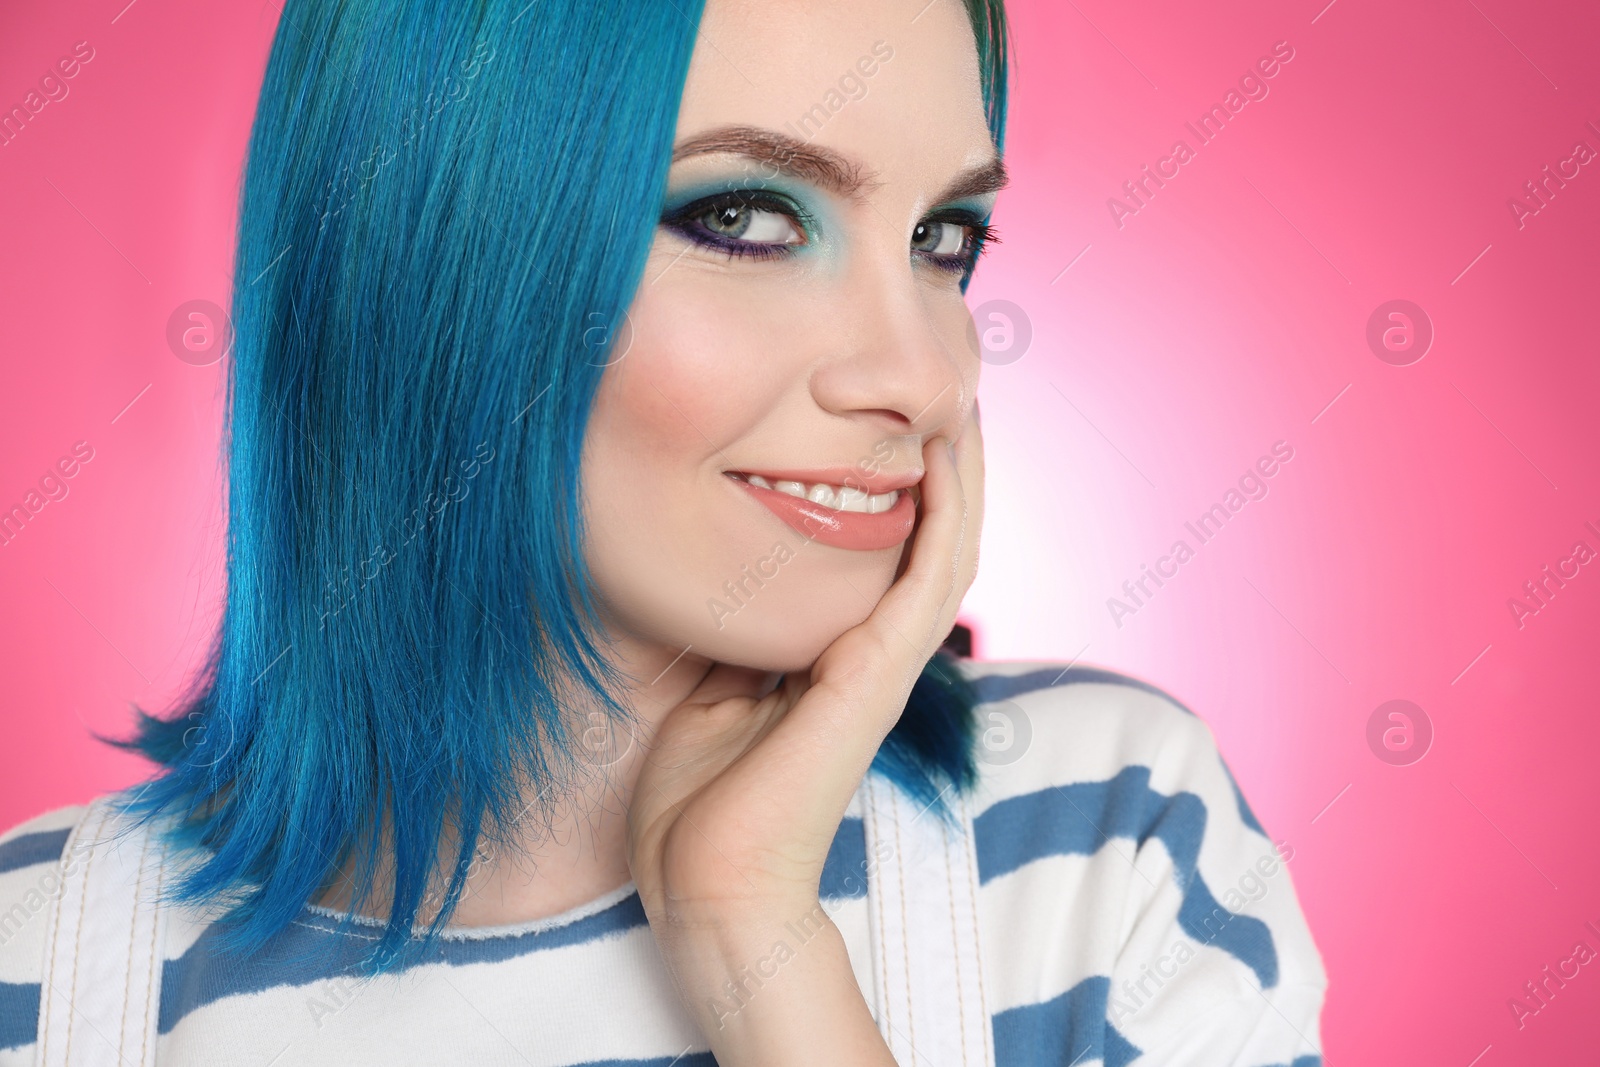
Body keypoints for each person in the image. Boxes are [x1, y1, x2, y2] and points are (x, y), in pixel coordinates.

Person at [0, 0, 1327, 1063]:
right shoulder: (36, 970)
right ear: (426, 253)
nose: (922, 373)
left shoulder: (1101, 850)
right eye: (743, 218)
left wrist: (764, 954)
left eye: (942, 238)